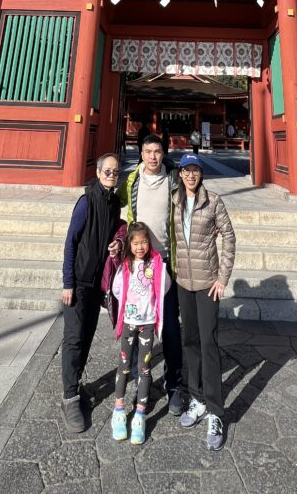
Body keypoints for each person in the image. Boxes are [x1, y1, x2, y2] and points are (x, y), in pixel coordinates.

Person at [117, 134, 185, 414]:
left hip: (165, 260)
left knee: (169, 325)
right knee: (133, 325)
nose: (153, 157)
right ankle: (135, 381)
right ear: (140, 153)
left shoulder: (174, 179)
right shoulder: (131, 180)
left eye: (157, 151)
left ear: (163, 154)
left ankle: (174, 384)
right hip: (138, 262)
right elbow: (114, 202)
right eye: (148, 151)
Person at [173, 152, 235, 452]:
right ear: (180, 174)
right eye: (186, 171)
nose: (190, 175)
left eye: (195, 170)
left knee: (209, 344)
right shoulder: (174, 201)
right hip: (184, 282)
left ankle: (215, 411)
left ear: (201, 174)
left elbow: (229, 237)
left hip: (208, 284)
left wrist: (222, 277)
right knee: (191, 342)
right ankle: (196, 399)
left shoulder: (213, 202)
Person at [60, 153, 122, 432]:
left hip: (98, 283)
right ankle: (70, 397)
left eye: (115, 172)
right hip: (79, 282)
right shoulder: (86, 202)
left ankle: (76, 383)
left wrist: (117, 245)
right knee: (73, 338)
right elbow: (71, 242)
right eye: (107, 171)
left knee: (85, 337)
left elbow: (116, 231)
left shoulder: (113, 203)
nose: (111, 175)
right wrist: (67, 282)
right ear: (98, 173)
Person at [111, 221, 171, 445]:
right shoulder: (126, 264)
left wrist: (150, 304)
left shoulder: (155, 263)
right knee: (124, 365)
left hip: (147, 323)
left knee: (144, 367)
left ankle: (140, 414)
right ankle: (118, 410)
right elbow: (117, 288)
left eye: (144, 242)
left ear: (149, 243)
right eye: (135, 243)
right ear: (129, 243)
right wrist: (129, 306)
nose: (140, 247)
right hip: (128, 322)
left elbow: (165, 286)